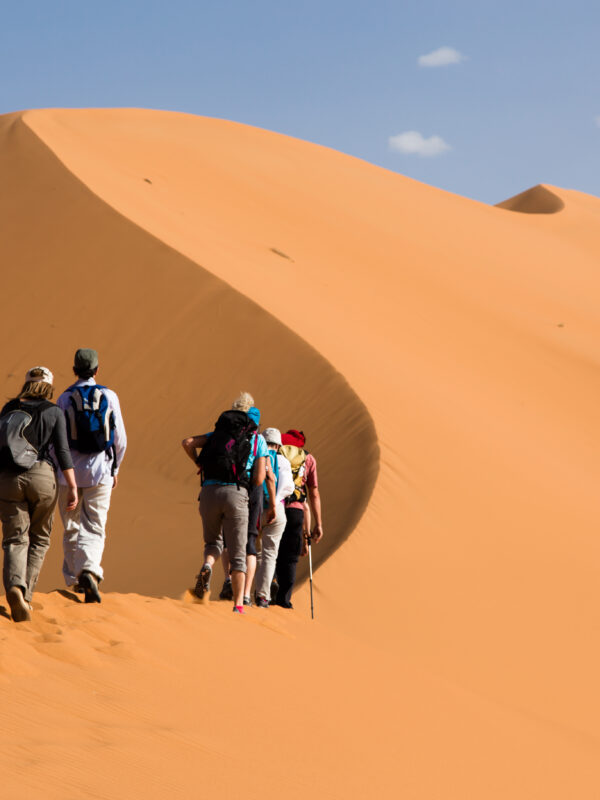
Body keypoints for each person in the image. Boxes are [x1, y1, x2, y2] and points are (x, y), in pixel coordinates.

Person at [182, 392, 271, 614]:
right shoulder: (257, 439)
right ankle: (239, 604)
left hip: (209, 491)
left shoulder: (217, 433)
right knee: (238, 553)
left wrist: (199, 462)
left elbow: (188, 442)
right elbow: (260, 478)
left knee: (213, 543)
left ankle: (206, 566)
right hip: (237, 494)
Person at [0, 367, 78, 622]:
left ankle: (14, 585)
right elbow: (63, 452)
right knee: (40, 539)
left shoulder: (9, 408)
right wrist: (72, 487)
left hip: (8, 479)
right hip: (42, 477)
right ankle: (26, 595)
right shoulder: (54, 411)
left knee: (14, 538)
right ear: (49, 386)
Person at [56, 349, 127, 603]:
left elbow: (57, 441)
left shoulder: (64, 398)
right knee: (95, 525)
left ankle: (75, 579)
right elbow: (120, 440)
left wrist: (58, 470)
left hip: (68, 474)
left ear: (74, 369)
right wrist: (115, 469)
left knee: (71, 526)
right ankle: (89, 569)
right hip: (100, 472)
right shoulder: (109, 395)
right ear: (97, 370)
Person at [274, 429, 323, 609]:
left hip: (274, 506)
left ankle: (266, 590)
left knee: (271, 551)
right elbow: (314, 494)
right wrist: (318, 524)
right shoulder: (308, 459)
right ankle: (283, 600)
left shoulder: (275, 452)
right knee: (290, 557)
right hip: (296, 511)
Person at [254, 427, 294, 608]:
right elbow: (289, 487)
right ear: (279, 445)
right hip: (276, 510)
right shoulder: (283, 461)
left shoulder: (258, 457)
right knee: (270, 554)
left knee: (254, 552)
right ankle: (263, 596)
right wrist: (275, 504)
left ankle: (245, 594)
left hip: (256, 509)